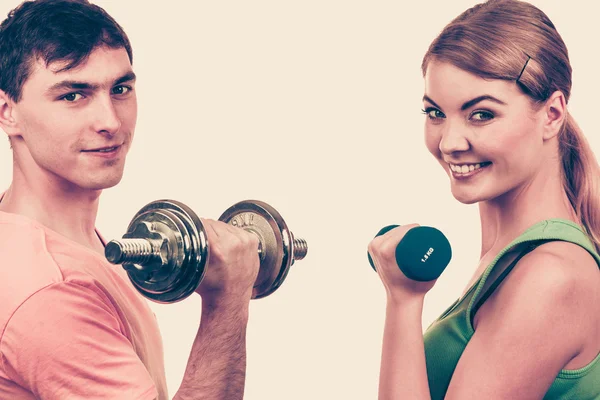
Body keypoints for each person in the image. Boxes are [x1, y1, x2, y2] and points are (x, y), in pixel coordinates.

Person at [0, 0, 260, 399]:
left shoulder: (39, 238)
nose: (110, 121)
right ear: (7, 111)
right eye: (73, 95)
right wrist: (227, 301)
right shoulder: (50, 291)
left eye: (120, 89)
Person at [367, 0, 600, 399]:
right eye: (435, 112)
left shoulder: (550, 276)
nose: (449, 142)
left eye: (481, 115)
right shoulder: (513, 260)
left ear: (552, 114)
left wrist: (404, 302)